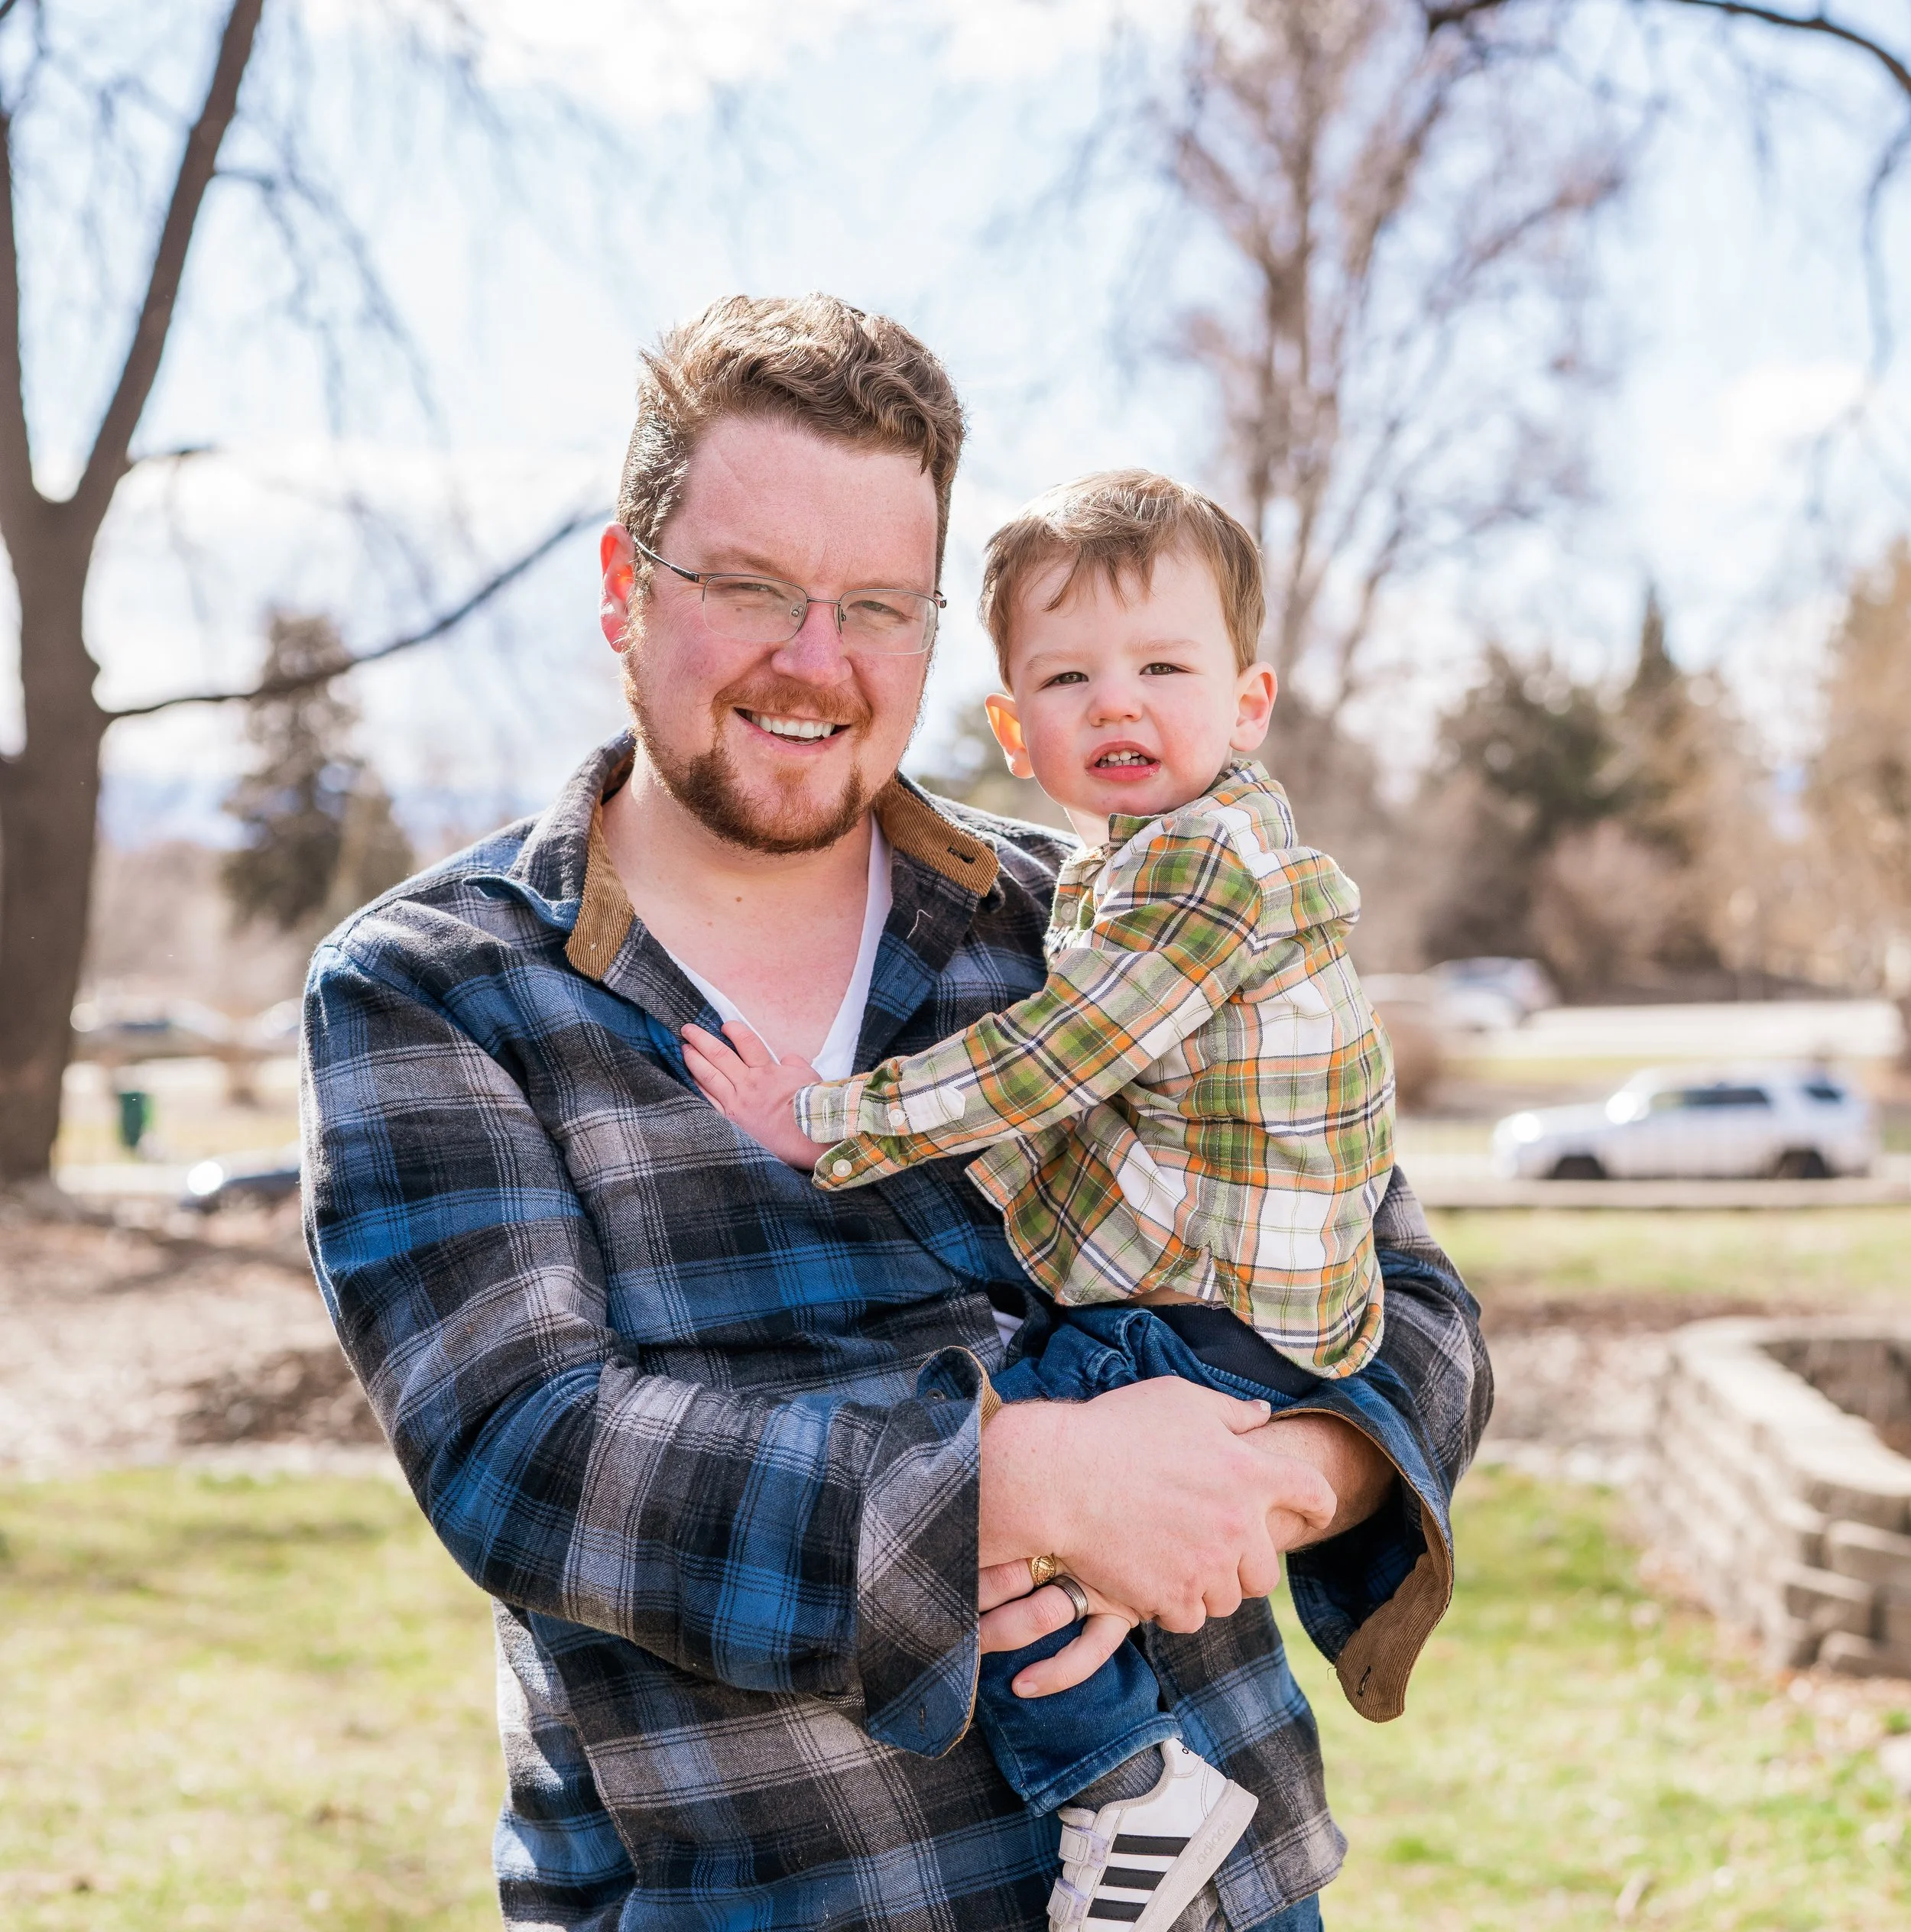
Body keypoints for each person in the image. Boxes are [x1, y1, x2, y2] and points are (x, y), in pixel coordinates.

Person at [300, 292, 1492, 1932]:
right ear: (623, 588)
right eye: (749, 588)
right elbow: (528, 1453)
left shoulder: (1089, 919)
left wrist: (1276, 1478)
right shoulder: (439, 986)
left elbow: (1408, 1303)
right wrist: (1040, 1486)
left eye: (876, 605)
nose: (816, 661)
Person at [680, 468, 1397, 1931]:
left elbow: (1058, 1062)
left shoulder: (1196, 875)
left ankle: (1129, 1794)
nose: (1118, 704)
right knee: (1024, 1492)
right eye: (1070, 677)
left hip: (1223, 1325)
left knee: (982, 1522)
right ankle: (1132, 1764)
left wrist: (830, 1124)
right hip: (1244, 1311)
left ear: (1248, 702)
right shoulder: (1111, 874)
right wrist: (1099, 1498)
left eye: (1164, 669)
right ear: (1015, 728)